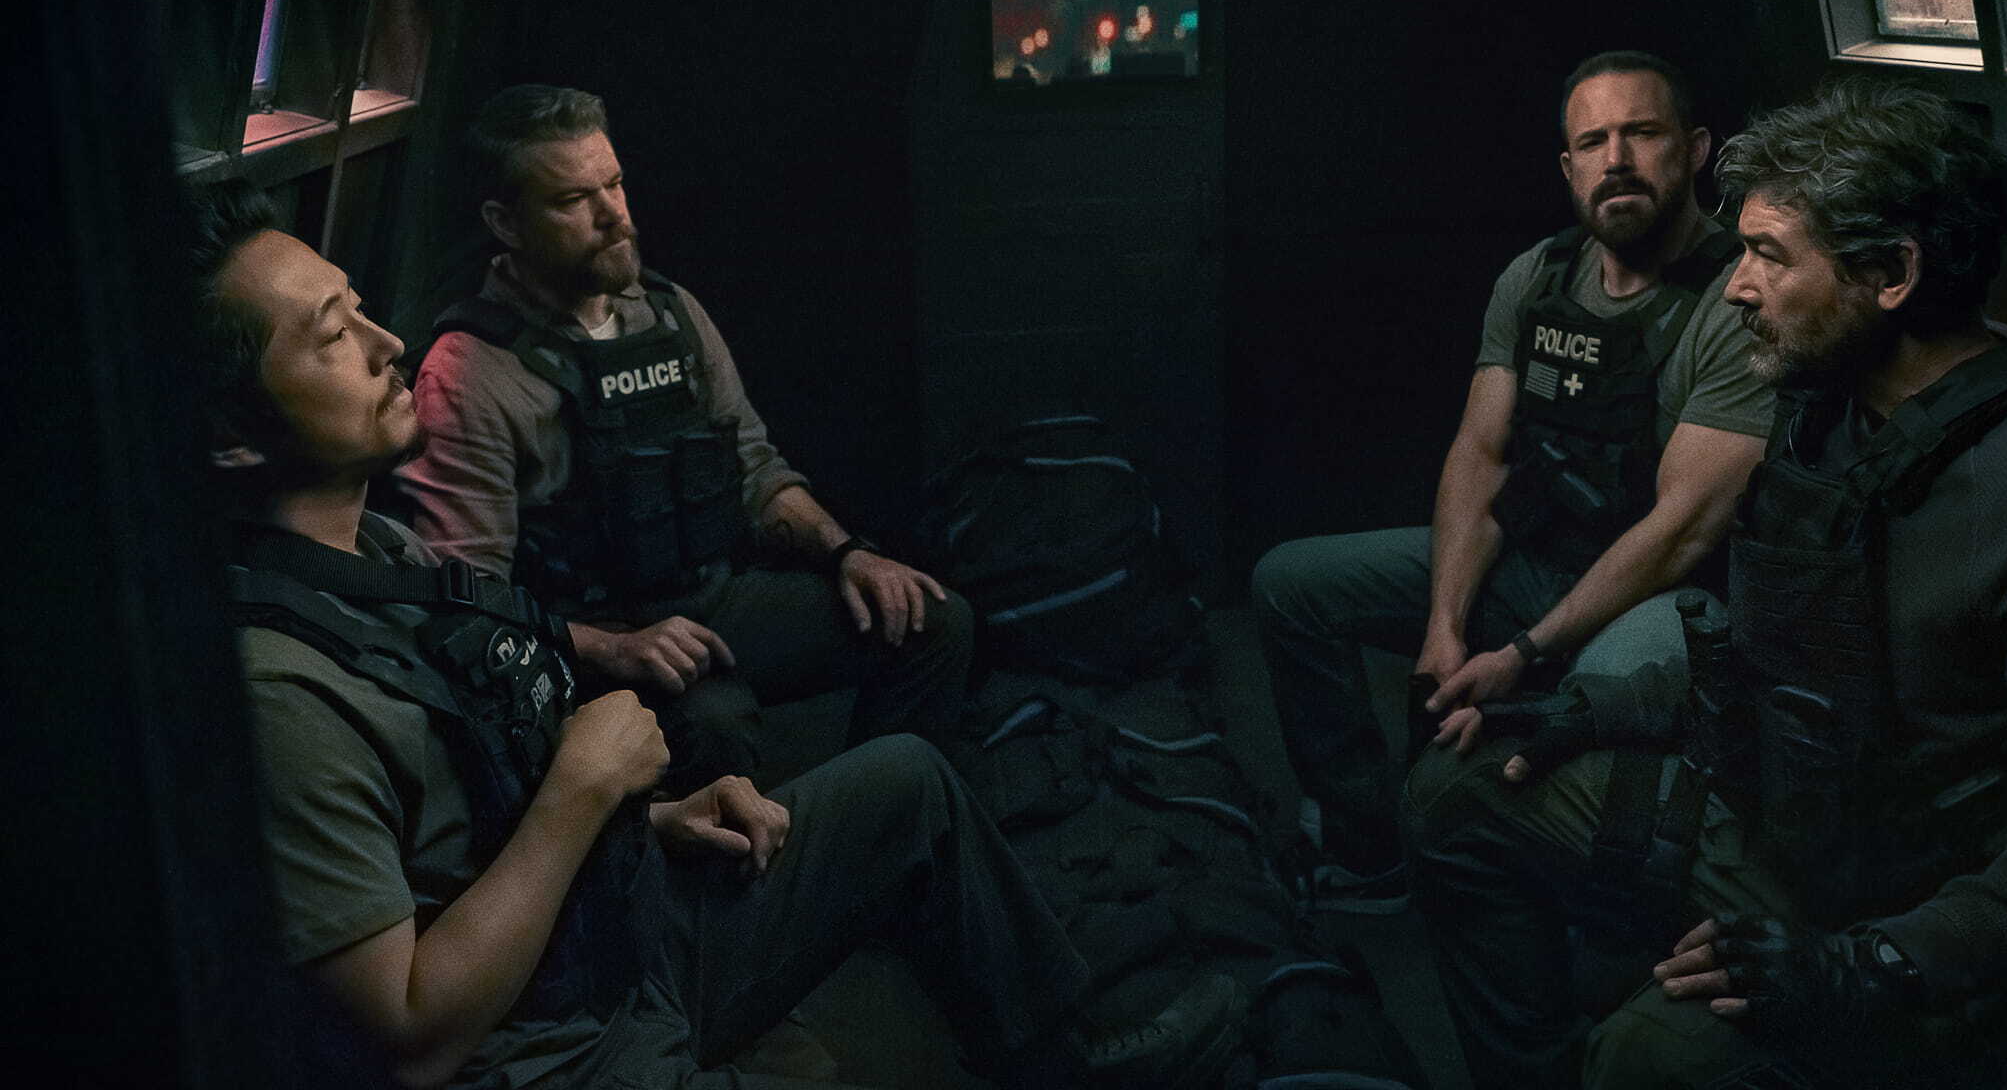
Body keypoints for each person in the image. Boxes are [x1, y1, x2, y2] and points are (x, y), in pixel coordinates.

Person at [188, 180, 1246, 1090]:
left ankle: (1069, 1058)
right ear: (231, 441)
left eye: (362, 308)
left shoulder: (386, 556)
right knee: (721, 720)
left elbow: (746, 464)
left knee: (908, 779)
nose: (386, 346)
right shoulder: (279, 690)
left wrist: (654, 820)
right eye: (332, 335)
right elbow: (410, 1041)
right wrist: (583, 790)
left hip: (605, 919)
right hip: (543, 1040)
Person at [1404, 78, 2007, 1090]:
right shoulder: (1825, 420)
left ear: (1888, 272)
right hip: (1797, 826)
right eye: (1738, 250)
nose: (1736, 287)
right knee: (1455, 802)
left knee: (1643, 1059)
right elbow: (1771, 656)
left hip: (1920, 908)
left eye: (1767, 256)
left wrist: (1864, 964)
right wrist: (1590, 708)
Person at [1253, 51, 1772, 906]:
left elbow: (1681, 530)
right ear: (1568, 167)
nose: (1617, 161)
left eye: (1642, 134)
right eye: (1593, 141)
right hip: (1539, 554)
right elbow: (1480, 456)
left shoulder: (1736, 296)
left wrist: (1524, 654)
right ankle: (1368, 842)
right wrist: (1446, 625)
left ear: (1696, 148)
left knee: (1568, 714)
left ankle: (1585, 924)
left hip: (1663, 597)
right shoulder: (1538, 279)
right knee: (1291, 585)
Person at [393, 84, 969, 786]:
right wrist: (613, 648)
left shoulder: (668, 314)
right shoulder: (468, 374)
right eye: (574, 201)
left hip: (710, 598)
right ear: (505, 223)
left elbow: (753, 469)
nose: (613, 216)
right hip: (594, 636)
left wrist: (849, 553)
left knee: (931, 622)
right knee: (714, 724)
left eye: (615, 184)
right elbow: (467, 601)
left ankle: (874, 829)